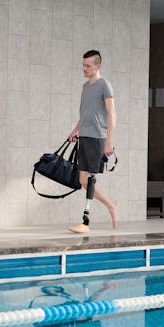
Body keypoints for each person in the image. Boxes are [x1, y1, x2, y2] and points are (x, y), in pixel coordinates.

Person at [68, 50, 118, 234]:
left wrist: (109, 141)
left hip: (98, 138)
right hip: (85, 137)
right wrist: (74, 132)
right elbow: (84, 115)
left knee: (90, 179)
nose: (84, 69)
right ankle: (111, 205)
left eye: (88, 66)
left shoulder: (105, 85)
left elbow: (112, 115)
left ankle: (85, 221)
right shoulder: (85, 87)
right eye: (83, 65)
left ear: (98, 66)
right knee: (83, 180)